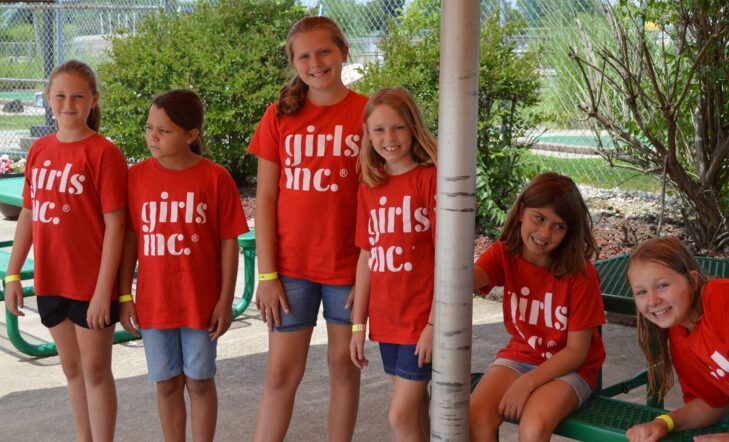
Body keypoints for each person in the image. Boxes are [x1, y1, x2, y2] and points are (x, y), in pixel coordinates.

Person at [248, 15, 368, 442]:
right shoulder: (278, 116)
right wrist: (266, 274)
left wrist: (366, 275)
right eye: (304, 56)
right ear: (293, 62)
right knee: (281, 373)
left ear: (343, 53)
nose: (315, 63)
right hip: (291, 267)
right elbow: (264, 198)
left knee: (343, 367)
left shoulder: (367, 114)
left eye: (324, 52)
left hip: (347, 268)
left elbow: (379, 196)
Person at [4, 59, 127, 442]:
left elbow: (116, 227)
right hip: (51, 279)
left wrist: (104, 290)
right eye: (60, 96)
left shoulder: (103, 153)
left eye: (78, 96)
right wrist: (13, 273)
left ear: (93, 100)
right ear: (47, 99)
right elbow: (28, 213)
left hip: (90, 283)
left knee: (95, 371)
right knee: (71, 369)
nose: (68, 104)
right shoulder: (40, 149)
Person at [118, 89, 247, 442]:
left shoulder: (215, 177)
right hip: (154, 301)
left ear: (191, 135)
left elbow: (229, 241)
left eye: (165, 131)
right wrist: (123, 296)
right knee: (166, 383)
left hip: (201, 302)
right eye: (149, 128)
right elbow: (129, 239)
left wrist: (225, 301)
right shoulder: (136, 177)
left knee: (200, 381)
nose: (153, 137)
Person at [469, 172, 606, 442]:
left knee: (533, 426)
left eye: (558, 226)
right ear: (521, 211)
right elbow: (463, 280)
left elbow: (577, 351)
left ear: (569, 232)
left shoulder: (580, 274)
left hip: (571, 369)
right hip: (520, 356)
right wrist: (458, 222)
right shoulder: (504, 253)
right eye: (539, 218)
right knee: (475, 416)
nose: (544, 233)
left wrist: (527, 383)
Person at [349, 87, 437, 441]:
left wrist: (435, 323)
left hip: (422, 321)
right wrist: (358, 325)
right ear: (368, 136)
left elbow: (448, 257)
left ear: (413, 128)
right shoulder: (370, 187)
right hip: (388, 320)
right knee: (416, 411)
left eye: (398, 127)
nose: (389, 137)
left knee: (399, 417)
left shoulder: (431, 179)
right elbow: (367, 256)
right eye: (379, 130)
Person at [625, 236, 729, 442]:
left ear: (692, 280)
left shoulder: (720, 298)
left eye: (663, 285)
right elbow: (711, 403)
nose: (653, 300)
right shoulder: (679, 337)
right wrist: (664, 423)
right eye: (641, 292)